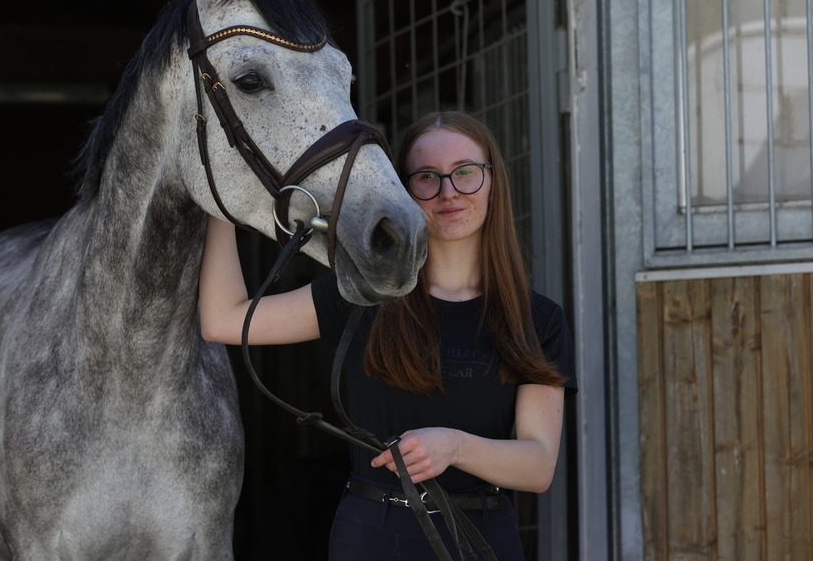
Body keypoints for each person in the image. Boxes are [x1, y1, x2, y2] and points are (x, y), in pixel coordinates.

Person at [199, 110, 577, 560]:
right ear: (403, 191)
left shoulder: (536, 319)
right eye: (426, 178)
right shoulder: (362, 296)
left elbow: (537, 465)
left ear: (492, 180)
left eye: (465, 173)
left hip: (481, 535)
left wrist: (454, 446)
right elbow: (224, 319)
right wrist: (217, 206)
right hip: (373, 534)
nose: (448, 191)